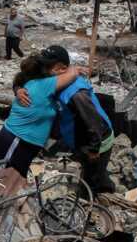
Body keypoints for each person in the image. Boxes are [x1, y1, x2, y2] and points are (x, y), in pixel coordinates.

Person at [15, 45, 115, 195]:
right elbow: (23, 78)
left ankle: (96, 196)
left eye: (48, 67)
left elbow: (93, 121)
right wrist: (18, 89)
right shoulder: (53, 77)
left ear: (61, 68)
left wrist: (93, 149)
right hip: (77, 135)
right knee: (89, 169)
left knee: (91, 177)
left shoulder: (75, 93)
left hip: (97, 139)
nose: (44, 71)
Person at [0, 53, 85, 177]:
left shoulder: (35, 84)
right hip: (16, 142)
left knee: (12, 182)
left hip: (23, 144)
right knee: (0, 181)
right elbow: (72, 74)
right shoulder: (44, 85)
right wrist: (70, 68)